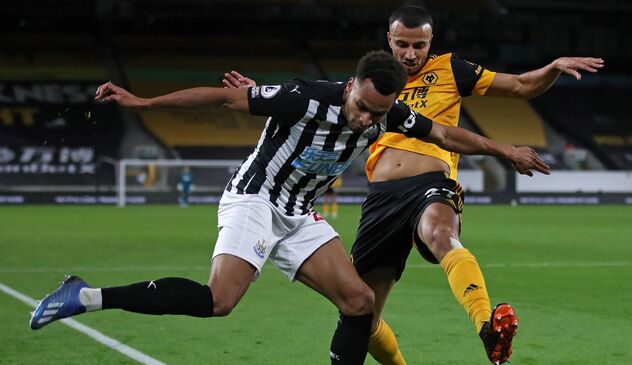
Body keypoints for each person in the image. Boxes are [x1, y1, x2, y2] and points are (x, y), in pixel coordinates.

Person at [30, 51, 549, 364]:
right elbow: (221, 99)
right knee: (220, 299)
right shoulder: (303, 97)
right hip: (255, 197)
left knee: (359, 303)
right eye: (362, 108)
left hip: (299, 212)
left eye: (378, 114)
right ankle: (88, 296)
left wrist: (505, 149)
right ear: (350, 87)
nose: (366, 120)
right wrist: (142, 103)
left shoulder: (391, 115)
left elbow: (445, 132)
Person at [224, 6, 603, 364]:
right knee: (362, 310)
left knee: (440, 233)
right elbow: (315, 104)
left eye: (418, 45)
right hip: (381, 198)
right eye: (402, 44)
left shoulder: (451, 69)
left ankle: (487, 327)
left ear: (430, 40)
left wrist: (553, 67)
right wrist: (264, 96)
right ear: (388, 40)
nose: (410, 54)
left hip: (431, 182)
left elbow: (520, 85)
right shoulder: (372, 82)